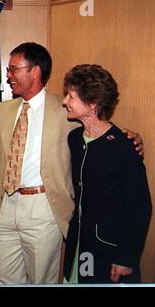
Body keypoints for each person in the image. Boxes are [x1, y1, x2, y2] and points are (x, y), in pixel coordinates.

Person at [0, 42, 144, 283]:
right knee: (4, 279)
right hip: (5, 207)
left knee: (41, 281)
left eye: (13, 69)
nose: (8, 76)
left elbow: (99, 127)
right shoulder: (3, 110)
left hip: (44, 209)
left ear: (35, 71)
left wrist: (131, 138)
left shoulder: (65, 111)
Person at [62, 64, 151, 283]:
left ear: (92, 104)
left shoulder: (123, 146)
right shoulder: (74, 139)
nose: (64, 101)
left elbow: (140, 207)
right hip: (79, 246)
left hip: (108, 251)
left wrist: (126, 258)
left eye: (70, 96)